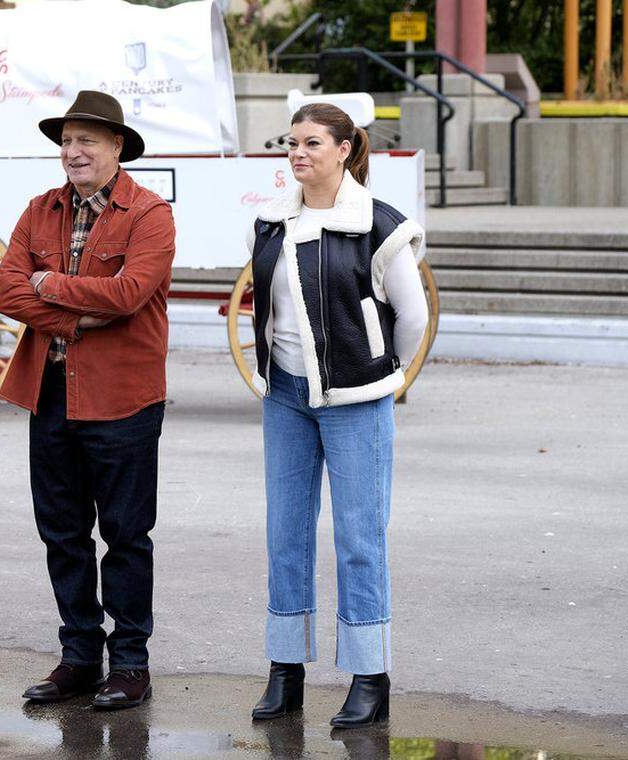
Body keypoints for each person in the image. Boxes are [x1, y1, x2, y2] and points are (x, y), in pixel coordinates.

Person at [247, 102, 428, 727]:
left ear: (346, 149)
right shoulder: (270, 221)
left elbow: (414, 317)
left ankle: (369, 677)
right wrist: (273, 374)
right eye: (291, 143)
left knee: (358, 538)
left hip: (357, 400)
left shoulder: (379, 225)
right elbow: (266, 310)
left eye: (313, 143)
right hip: (286, 399)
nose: (298, 154)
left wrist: (386, 377)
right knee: (284, 534)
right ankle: (284, 670)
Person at [0, 90, 175, 710]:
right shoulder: (39, 209)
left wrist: (51, 287)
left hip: (124, 398)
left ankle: (130, 663)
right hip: (49, 395)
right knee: (62, 533)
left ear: (117, 147)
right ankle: (78, 657)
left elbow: (127, 294)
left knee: (127, 535)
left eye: (88, 140)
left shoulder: (150, 214)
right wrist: (74, 318)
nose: (73, 151)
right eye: (67, 140)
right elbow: (8, 291)